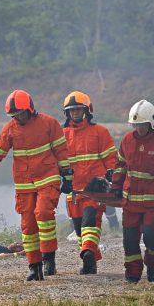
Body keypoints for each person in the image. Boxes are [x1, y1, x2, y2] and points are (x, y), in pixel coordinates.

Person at [0, 90, 72, 281]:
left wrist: (67, 175)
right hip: (24, 183)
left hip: (48, 177)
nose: (18, 117)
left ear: (30, 109)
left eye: (21, 114)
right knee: (28, 225)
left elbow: (61, 151)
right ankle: (34, 266)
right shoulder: (11, 128)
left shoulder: (49, 123)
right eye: (14, 115)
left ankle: (49, 257)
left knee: (43, 214)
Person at [111, 100, 154, 283]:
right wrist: (116, 186)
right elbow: (120, 165)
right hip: (131, 204)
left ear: (152, 123)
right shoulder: (127, 140)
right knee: (130, 241)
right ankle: (132, 274)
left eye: (142, 125)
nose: (139, 129)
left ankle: (152, 266)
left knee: (152, 238)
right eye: (136, 125)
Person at [61, 90, 116, 274]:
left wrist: (111, 177)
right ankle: (90, 260)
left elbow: (111, 159)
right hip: (73, 191)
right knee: (79, 230)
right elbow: (56, 161)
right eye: (71, 110)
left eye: (78, 110)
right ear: (67, 113)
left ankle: (88, 254)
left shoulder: (100, 132)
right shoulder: (62, 135)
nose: (75, 113)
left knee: (90, 221)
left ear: (86, 111)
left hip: (95, 188)